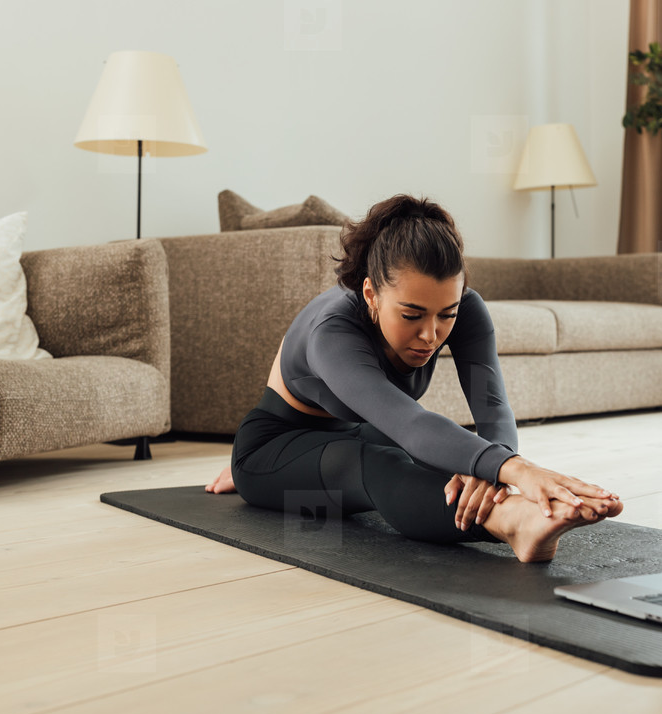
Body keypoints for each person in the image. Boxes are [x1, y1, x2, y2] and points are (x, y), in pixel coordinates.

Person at [206, 193, 622, 562]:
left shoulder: (467, 310)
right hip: (275, 447)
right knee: (376, 460)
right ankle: (511, 521)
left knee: (452, 452)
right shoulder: (332, 331)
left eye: (447, 314)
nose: (430, 334)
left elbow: (491, 404)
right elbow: (409, 422)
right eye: (411, 315)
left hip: (359, 432)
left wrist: (490, 471)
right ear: (371, 294)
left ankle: (499, 506)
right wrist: (519, 471)